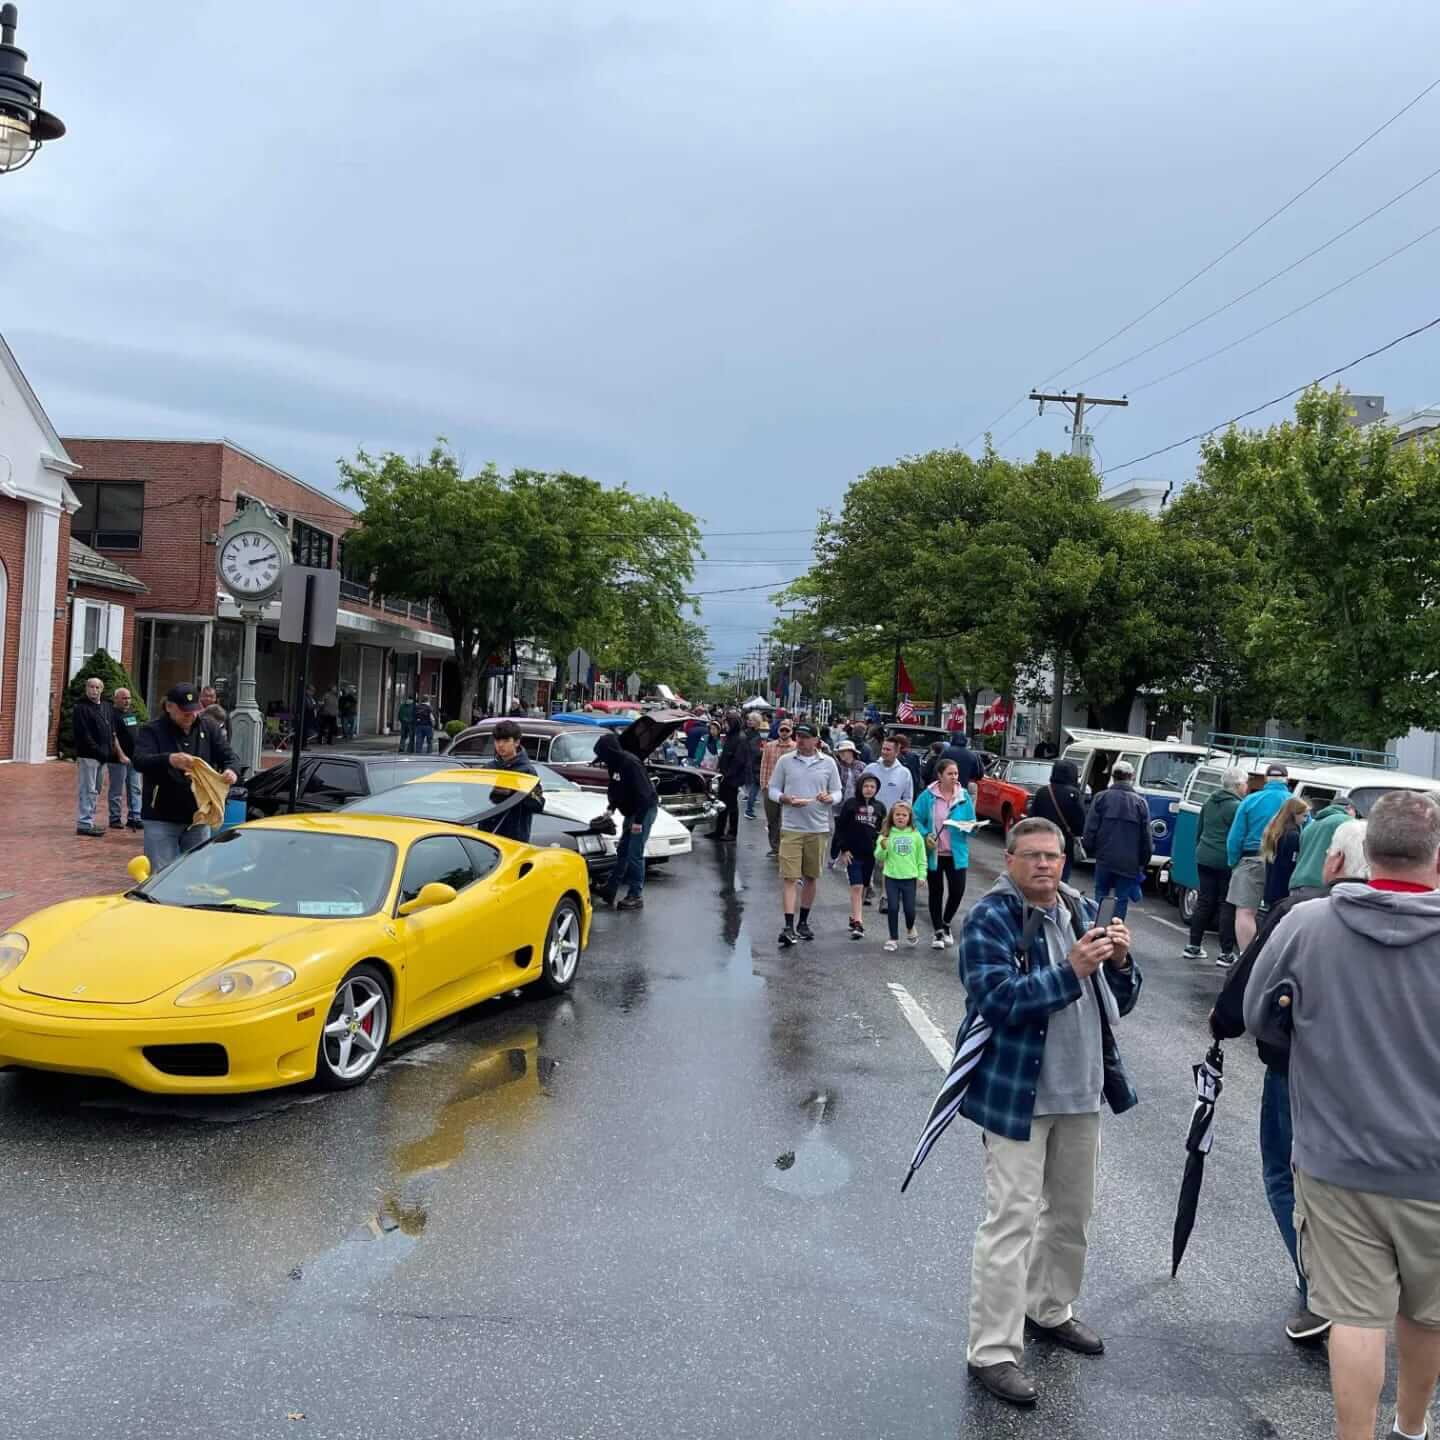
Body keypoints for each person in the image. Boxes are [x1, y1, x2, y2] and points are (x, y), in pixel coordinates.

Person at [1245, 792, 1440, 1440]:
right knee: (1428, 1314)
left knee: (1356, 1318)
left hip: (1336, 1159)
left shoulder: (1309, 925)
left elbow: (1254, 1014)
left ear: (1365, 849)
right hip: (1434, 1168)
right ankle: (1411, 1430)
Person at [960, 817, 1140, 1409]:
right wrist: (1073, 970)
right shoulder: (992, 916)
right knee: (1010, 1221)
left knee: (1071, 1215)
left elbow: (1125, 1000)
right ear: (1009, 859)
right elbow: (997, 999)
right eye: (1033, 856)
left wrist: (1118, 963)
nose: (1045, 865)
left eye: (1054, 856)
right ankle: (991, 1350)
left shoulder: (1080, 908)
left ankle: (1050, 1308)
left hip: (1081, 1090)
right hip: (1018, 1094)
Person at [1212, 817, 1370, 1346]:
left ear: (1334, 861)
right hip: (1382, 1086)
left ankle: (1318, 1291)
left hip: (1295, 1071)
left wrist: (1223, 1025)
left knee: (1285, 1175)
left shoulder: (1303, 912)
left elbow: (1248, 993)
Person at [133, 682, 239, 869]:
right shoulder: (152, 730)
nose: (190, 716)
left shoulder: (209, 727)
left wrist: (231, 770)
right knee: (161, 872)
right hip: (161, 815)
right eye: (184, 711)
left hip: (198, 815)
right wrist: (169, 759)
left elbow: (230, 756)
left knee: (197, 872)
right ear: (169, 707)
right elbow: (140, 761)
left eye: (194, 710)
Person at [769, 723, 840, 947]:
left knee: (811, 877)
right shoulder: (785, 761)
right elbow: (772, 790)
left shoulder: (828, 763)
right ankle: (788, 926)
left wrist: (830, 798)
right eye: (798, 736)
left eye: (805, 737)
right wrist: (785, 799)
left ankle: (804, 922)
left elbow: (838, 791)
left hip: (818, 828)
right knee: (790, 878)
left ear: (816, 741)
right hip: (791, 827)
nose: (800, 740)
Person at [1181, 767, 1245, 966]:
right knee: (1226, 904)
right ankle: (1226, 953)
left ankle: (1193, 946)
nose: (1246, 787)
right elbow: (1238, 835)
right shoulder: (1236, 807)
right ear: (1237, 785)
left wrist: (1200, 849)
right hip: (1225, 859)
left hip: (1204, 856)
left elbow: (1199, 830)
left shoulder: (1209, 801)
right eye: (1245, 783)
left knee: (1204, 901)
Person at [913, 758, 976, 949]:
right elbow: (915, 818)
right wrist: (925, 835)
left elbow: (972, 823)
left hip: (956, 854)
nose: (954, 777)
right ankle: (938, 932)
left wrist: (969, 827)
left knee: (957, 891)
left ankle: (947, 923)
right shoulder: (927, 796)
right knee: (936, 892)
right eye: (950, 773)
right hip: (935, 853)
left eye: (956, 773)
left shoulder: (963, 796)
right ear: (940, 776)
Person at [1227, 763, 1291, 950]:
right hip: (1282, 864)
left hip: (1251, 860)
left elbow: (1235, 836)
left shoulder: (1250, 800)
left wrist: (1233, 862)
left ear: (1266, 780)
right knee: (1279, 913)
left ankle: (1245, 959)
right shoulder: (1293, 803)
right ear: (1287, 780)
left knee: (1245, 911)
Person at [595, 729, 659, 912]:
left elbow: (645, 796)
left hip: (643, 810)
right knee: (623, 850)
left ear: (610, 752)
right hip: (631, 810)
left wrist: (638, 823)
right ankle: (610, 889)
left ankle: (635, 895)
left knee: (634, 853)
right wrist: (611, 808)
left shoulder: (631, 764)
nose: (602, 759)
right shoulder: (614, 764)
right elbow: (615, 789)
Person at [1081, 759, 1152, 921]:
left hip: (1104, 857)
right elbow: (1146, 837)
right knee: (1122, 899)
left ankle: (1099, 929)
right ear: (1131, 777)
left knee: (1101, 893)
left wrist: (1090, 849)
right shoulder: (1140, 803)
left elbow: (1090, 828)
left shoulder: (1101, 798)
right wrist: (1143, 860)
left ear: (1112, 776)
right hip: (1129, 861)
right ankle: (1115, 934)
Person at [834, 774, 885, 940]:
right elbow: (840, 828)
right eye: (866, 786)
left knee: (863, 886)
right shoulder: (851, 804)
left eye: (872, 786)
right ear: (860, 787)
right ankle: (859, 923)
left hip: (870, 853)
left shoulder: (880, 807)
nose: (869, 789)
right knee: (856, 886)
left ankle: (855, 915)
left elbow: (883, 831)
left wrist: (882, 849)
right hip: (852, 853)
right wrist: (843, 849)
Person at [73, 676, 121, 838]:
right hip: (89, 756)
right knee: (88, 789)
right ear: (86, 689)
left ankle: (90, 820)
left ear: (102, 689)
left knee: (97, 789)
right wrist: (98, 751)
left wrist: (110, 750)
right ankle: (84, 823)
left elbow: (111, 729)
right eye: (91, 687)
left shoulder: (107, 706)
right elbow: (83, 734)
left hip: (103, 756)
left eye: (97, 687)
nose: (94, 690)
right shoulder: (81, 708)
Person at [876, 799, 926, 951]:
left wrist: (922, 875)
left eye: (904, 815)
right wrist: (883, 848)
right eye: (897, 814)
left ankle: (910, 928)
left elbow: (921, 857)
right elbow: (879, 857)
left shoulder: (916, 835)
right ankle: (893, 938)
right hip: (891, 877)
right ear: (892, 817)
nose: (900, 817)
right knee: (892, 907)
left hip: (910, 878)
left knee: (910, 910)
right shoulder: (886, 835)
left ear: (909, 818)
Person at [1028, 759, 1086, 885]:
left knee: (1040, 874)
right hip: (1064, 843)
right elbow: (1080, 822)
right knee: (1061, 879)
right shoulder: (1074, 794)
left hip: (1041, 840)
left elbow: (1031, 817)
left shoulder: (1042, 792)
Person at [488, 718, 544, 845]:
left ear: (517, 742)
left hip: (515, 838)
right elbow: (474, 800)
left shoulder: (527, 771)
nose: (500, 745)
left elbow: (538, 804)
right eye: (497, 740)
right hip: (488, 834)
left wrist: (516, 791)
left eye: (506, 740)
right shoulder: (489, 768)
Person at [1287, 797, 1355, 902]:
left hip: (1297, 884)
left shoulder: (1310, 826)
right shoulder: (1347, 822)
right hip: (1320, 887)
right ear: (1350, 809)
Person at [1261, 795, 1310, 911]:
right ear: (1294, 814)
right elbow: (1292, 863)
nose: (1305, 820)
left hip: (1271, 885)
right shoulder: (1293, 836)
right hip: (1282, 888)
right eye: (1304, 816)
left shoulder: (1276, 830)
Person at [709, 714, 752, 842]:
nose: (724, 726)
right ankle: (719, 830)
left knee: (732, 805)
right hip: (725, 775)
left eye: (726, 723)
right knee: (722, 804)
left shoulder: (740, 738)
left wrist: (728, 774)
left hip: (732, 777)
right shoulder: (732, 737)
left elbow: (739, 760)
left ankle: (732, 832)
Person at [108, 687, 144, 831]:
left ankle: (135, 817)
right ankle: (115, 817)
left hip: (134, 758)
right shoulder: (111, 716)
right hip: (118, 759)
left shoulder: (131, 714)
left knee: (135, 788)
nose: (127, 701)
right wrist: (121, 755)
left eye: (128, 698)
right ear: (115, 699)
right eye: (124, 698)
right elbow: (112, 737)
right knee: (117, 789)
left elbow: (136, 734)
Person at [759, 719, 796, 856]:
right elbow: (764, 766)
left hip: (789, 789)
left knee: (786, 820)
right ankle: (775, 847)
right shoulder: (769, 746)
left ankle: (785, 847)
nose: (784, 732)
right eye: (782, 730)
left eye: (787, 730)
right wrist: (763, 785)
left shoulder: (796, 747)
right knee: (772, 819)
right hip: (770, 788)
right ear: (779, 731)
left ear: (791, 732)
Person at [942, 730, 987, 797]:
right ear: (966, 741)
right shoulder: (973, 755)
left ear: (953, 739)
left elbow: (937, 769)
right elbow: (979, 773)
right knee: (968, 805)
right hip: (966, 787)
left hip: (948, 786)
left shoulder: (946, 752)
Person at [743, 711, 767, 818]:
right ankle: (749, 810)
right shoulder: (752, 733)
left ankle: (750, 801)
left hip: (753, 761)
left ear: (757, 722)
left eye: (751, 720)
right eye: (748, 720)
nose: (749, 721)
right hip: (754, 762)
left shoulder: (759, 733)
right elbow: (758, 749)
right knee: (755, 785)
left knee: (754, 784)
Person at [833, 737, 867, 802]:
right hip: (839, 804)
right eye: (840, 752)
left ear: (851, 752)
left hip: (857, 802)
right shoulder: (837, 766)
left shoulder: (862, 766)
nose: (841, 753)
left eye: (844, 751)